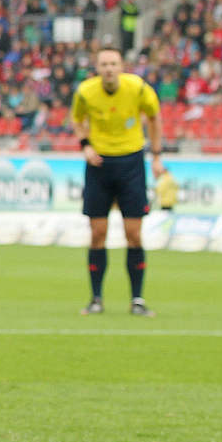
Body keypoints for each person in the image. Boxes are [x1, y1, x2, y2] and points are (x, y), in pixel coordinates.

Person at [71, 46, 164, 317]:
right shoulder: (86, 92)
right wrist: (85, 145)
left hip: (131, 164)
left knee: (133, 233)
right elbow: (76, 120)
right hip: (99, 165)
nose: (109, 69)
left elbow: (155, 117)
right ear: (97, 68)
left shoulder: (137, 88)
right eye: (104, 64)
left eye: (113, 63)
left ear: (121, 66)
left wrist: (156, 155)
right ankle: (96, 298)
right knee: (97, 233)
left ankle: (137, 299)